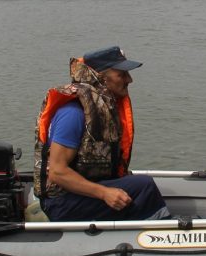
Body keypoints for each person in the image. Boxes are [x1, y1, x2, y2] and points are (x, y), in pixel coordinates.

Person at [33, 46, 170, 222]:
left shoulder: (102, 108)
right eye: (122, 74)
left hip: (81, 195)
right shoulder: (73, 113)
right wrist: (104, 193)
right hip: (61, 203)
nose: (130, 80)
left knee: (136, 185)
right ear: (101, 77)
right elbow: (57, 172)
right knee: (144, 186)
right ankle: (164, 230)